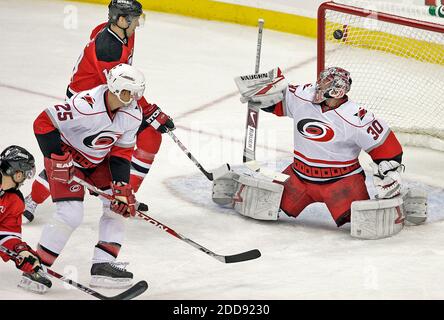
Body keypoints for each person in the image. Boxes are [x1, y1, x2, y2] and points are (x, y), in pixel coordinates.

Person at [213, 67, 426, 237]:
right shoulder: (304, 95)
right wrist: (262, 95)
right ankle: (234, 185)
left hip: (342, 182)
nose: (316, 89)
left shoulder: (357, 118)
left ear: (336, 91)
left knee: (369, 224)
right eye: (318, 84)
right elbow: (278, 104)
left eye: (323, 87)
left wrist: (388, 170)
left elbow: (388, 148)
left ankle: (406, 204)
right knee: (260, 206)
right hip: (299, 177)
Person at [23, 0, 175, 223]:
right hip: (89, 104)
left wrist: (149, 110)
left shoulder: (123, 32)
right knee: (78, 158)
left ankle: (124, 194)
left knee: (150, 136)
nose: (139, 24)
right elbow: (119, 87)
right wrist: (148, 110)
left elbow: (123, 85)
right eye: (136, 19)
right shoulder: (108, 48)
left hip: (111, 97)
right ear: (122, 20)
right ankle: (32, 199)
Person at [26, 63, 145, 291]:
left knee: (117, 207)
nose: (135, 98)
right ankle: (36, 266)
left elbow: (121, 151)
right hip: (68, 158)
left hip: (98, 162)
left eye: (138, 93)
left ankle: (103, 266)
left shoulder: (133, 113)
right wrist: (56, 158)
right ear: (115, 87)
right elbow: (43, 122)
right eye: (130, 92)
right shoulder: (86, 105)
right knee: (71, 213)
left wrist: (120, 186)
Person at [0, 145, 52, 293]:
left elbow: (6, 234)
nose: (24, 179)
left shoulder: (15, 200)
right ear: (16, 172)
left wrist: (21, 252)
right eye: (24, 174)